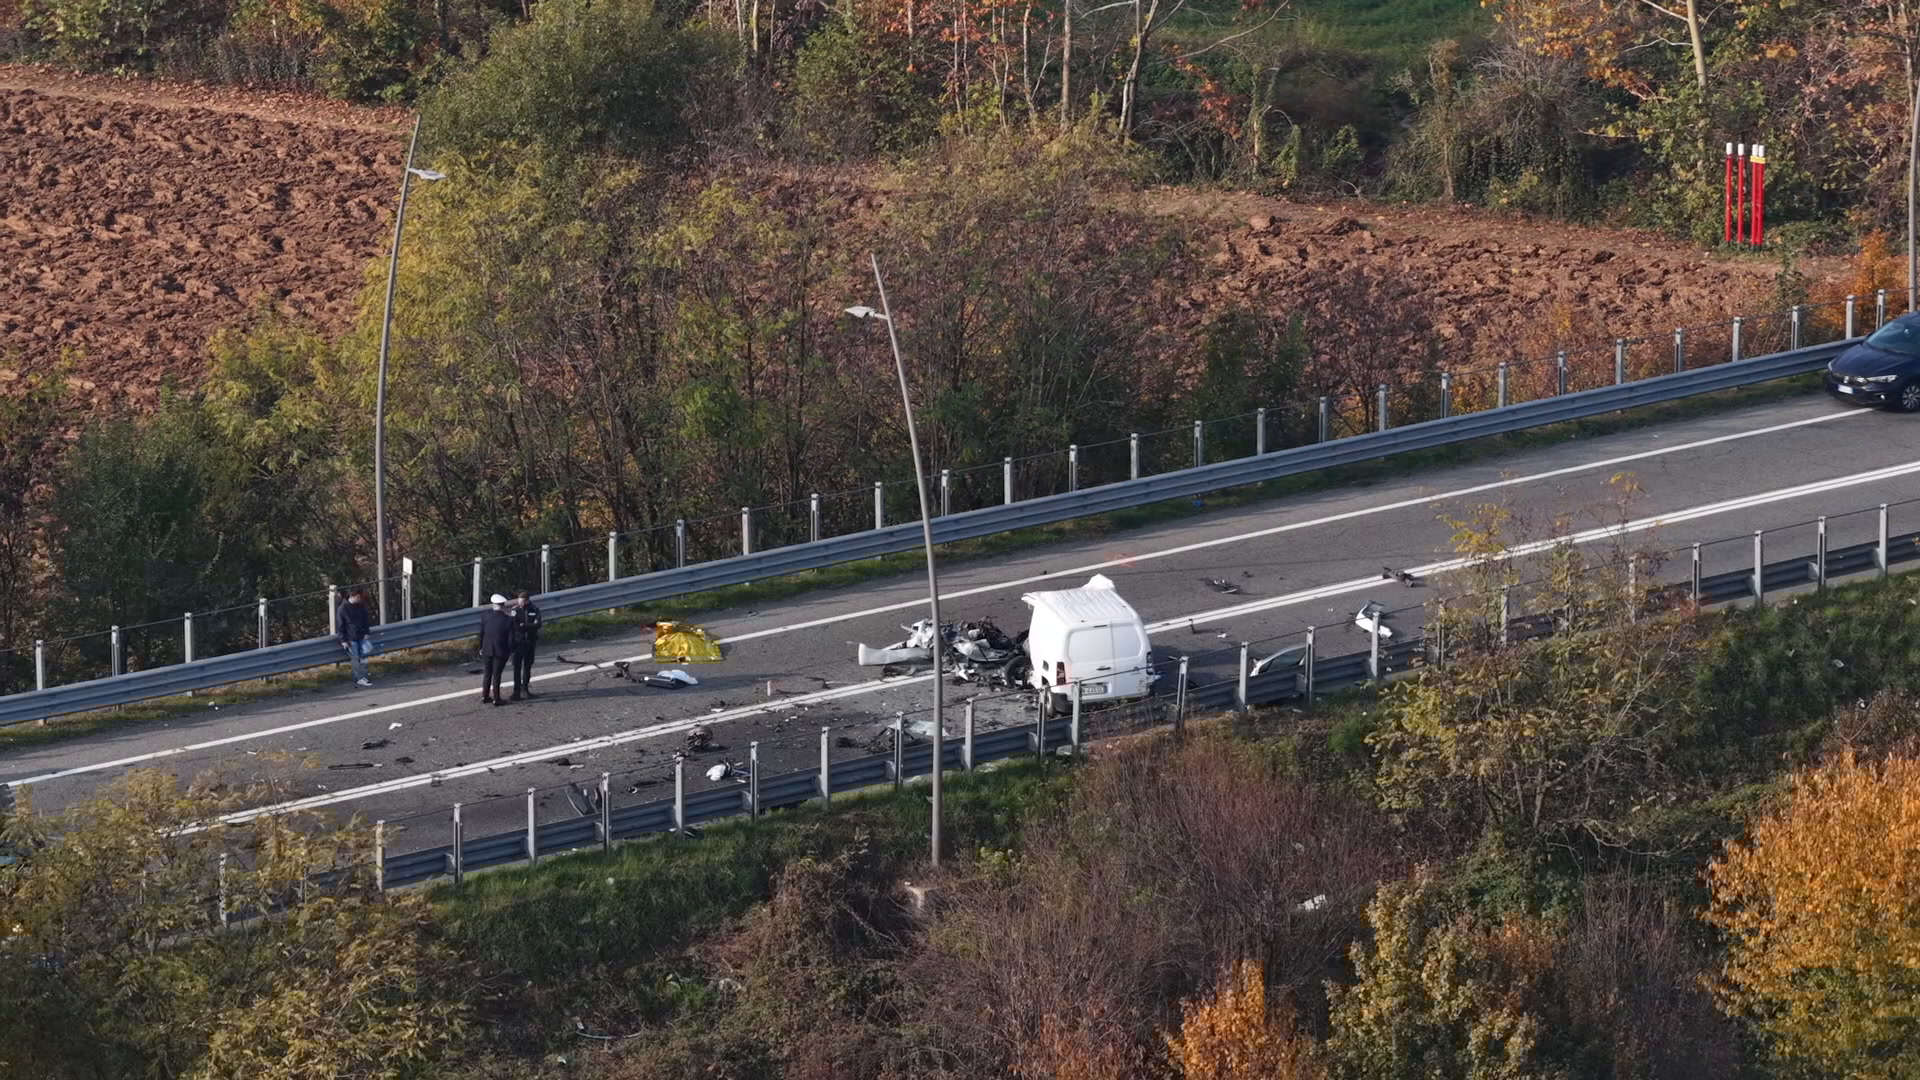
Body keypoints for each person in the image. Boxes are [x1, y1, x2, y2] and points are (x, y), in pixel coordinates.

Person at [477, 593, 514, 706]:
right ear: (503, 605)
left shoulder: (485, 616)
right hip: (500, 651)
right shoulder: (508, 620)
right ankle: (496, 698)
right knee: (497, 674)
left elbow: (481, 634)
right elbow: (510, 638)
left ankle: (484, 696)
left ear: (493, 605)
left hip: (487, 649)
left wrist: (481, 648)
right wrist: (510, 650)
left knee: (487, 673)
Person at [336, 587, 374, 687]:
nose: (360, 599)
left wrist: (367, 632)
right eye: (358, 597)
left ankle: (364, 675)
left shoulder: (361, 606)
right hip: (350, 638)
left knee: (364, 657)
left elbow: (365, 620)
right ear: (352, 596)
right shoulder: (342, 609)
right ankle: (359, 677)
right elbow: (340, 626)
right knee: (355, 659)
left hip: (362, 636)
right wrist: (343, 640)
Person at [509, 589, 543, 701]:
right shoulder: (515, 610)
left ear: (527, 601)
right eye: (519, 601)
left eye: (523, 601)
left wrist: (524, 625)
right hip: (518, 643)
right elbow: (515, 626)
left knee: (527, 666)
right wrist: (529, 625)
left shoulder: (534, 609)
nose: (521, 603)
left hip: (530, 642)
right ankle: (516, 691)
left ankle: (525, 689)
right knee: (516, 667)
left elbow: (538, 624)